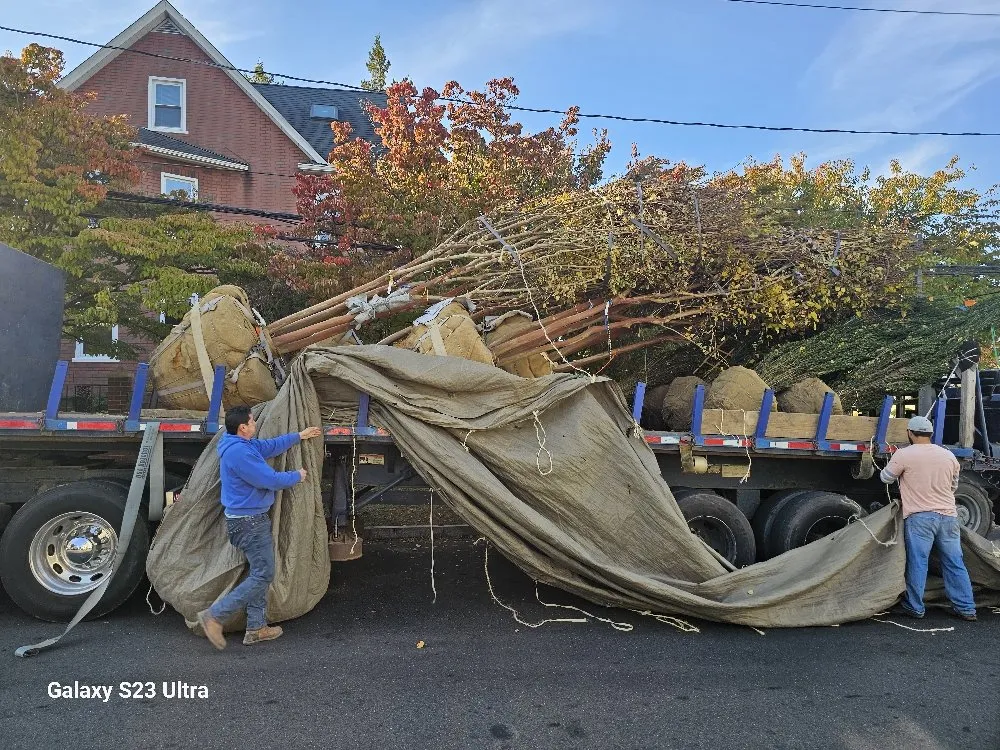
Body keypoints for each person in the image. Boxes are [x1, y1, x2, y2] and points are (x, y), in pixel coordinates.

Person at [197, 405, 323, 649]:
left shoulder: (241, 444)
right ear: (243, 427)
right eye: (253, 421)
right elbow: (269, 480)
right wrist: (297, 475)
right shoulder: (239, 454)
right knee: (263, 574)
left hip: (249, 521)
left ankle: (255, 628)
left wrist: (299, 435)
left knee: (259, 572)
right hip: (249, 523)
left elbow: (268, 446)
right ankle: (215, 615)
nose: (256, 424)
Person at [880, 414, 977, 622]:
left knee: (918, 562)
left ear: (910, 433)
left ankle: (915, 607)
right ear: (931, 434)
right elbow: (953, 486)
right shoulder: (949, 456)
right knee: (954, 562)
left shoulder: (904, 455)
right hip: (949, 517)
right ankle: (966, 608)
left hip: (920, 518)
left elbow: (886, 478)